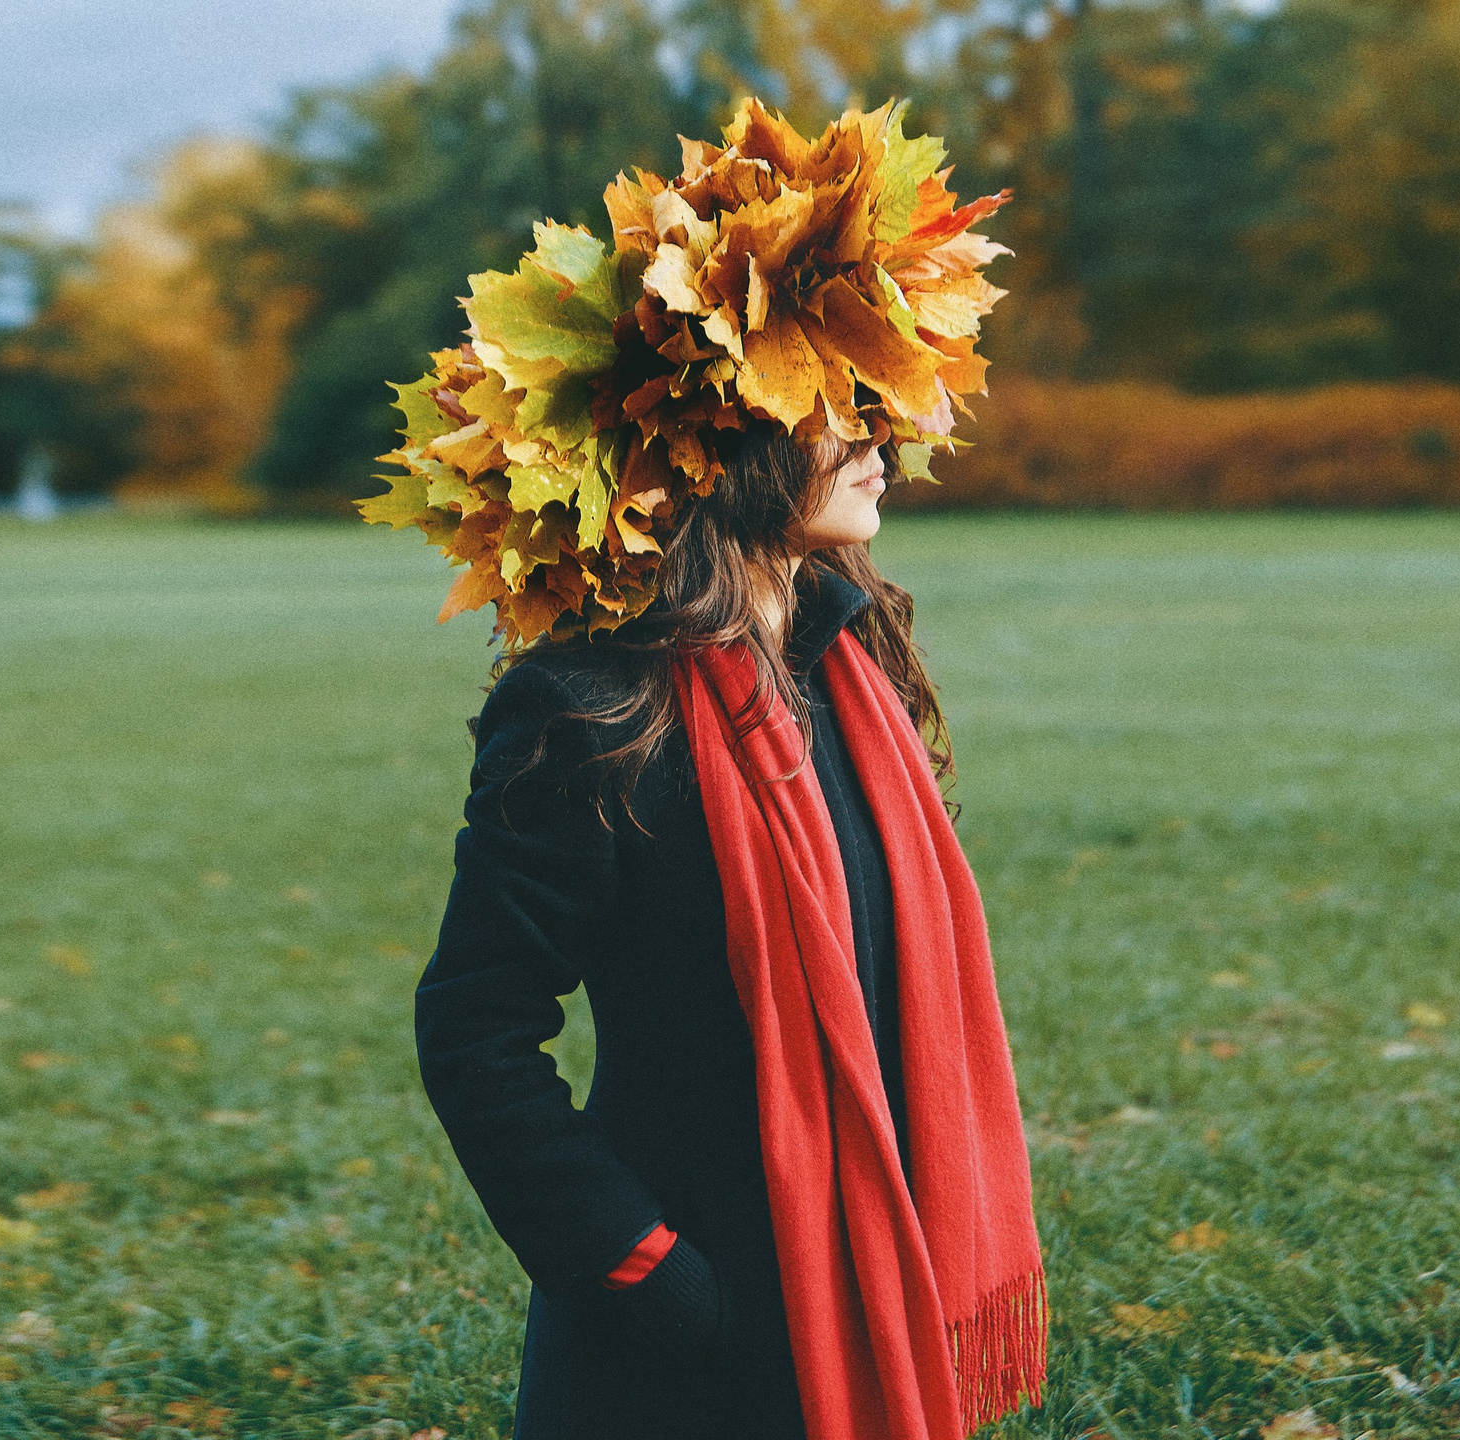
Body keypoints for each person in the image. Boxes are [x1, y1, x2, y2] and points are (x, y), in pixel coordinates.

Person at [367, 100, 1041, 1440]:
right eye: (835, 401)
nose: (880, 434)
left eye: (879, 397)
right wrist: (646, 1269)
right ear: (726, 439)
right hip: (684, 1340)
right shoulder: (593, 707)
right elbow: (476, 1029)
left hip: (869, 1276)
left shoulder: (851, 664)